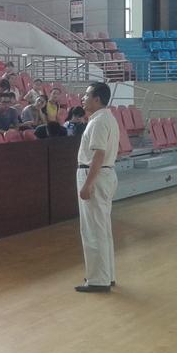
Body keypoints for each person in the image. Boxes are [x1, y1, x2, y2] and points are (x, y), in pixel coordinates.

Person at [75, 82, 119, 293]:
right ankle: (106, 274)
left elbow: (98, 155)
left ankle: (98, 279)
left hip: (95, 176)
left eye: (86, 95)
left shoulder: (99, 122)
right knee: (102, 228)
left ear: (97, 99)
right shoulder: (106, 118)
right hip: (105, 175)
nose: (83, 98)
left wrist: (87, 184)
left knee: (93, 229)